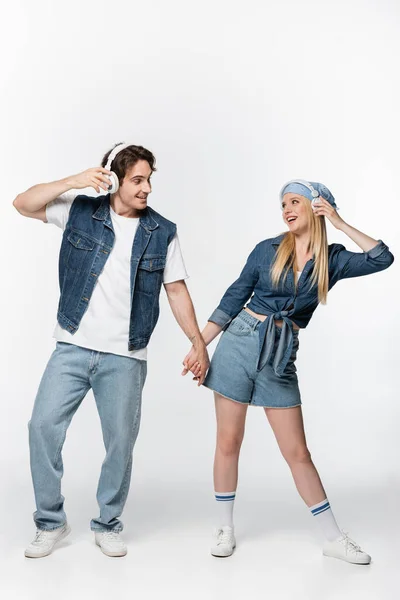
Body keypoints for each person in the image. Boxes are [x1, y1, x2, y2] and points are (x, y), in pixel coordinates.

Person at [13, 143, 209, 558]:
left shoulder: (163, 231)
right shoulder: (80, 210)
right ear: (115, 179)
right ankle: (51, 522)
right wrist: (72, 181)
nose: (147, 189)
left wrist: (197, 342)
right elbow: (21, 203)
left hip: (125, 356)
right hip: (71, 346)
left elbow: (176, 290)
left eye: (149, 179)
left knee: (120, 443)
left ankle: (108, 522)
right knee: (41, 427)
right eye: (138, 180)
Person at [182, 179, 394, 564]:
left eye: (295, 201)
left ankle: (332, 538)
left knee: (297, 451)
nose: (286, 209)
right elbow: (234, 297)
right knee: (228, 441)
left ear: (318, 207)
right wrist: (201, 344)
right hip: (240, 342)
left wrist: (340, 222)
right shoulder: (267, 250)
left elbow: (382, 258)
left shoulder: (335, 259)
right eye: (283, 204)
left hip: (280, 355)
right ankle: (224, 528)